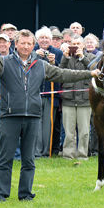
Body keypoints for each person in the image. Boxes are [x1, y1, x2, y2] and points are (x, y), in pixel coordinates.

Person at [0, 29, 101, 203]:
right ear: (16, 44)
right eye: (22, 43)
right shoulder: (3, 62)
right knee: (5, 158)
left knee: (29, 160)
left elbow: (64, 74)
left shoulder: (41, 65)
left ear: (33, 45)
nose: (26, 46)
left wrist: (90, 73)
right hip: (10, 116)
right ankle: (1, 194)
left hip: (33, 117)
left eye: (29, 43)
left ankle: (25, 194)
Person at [60, 35, 96, 160]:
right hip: (68, 99)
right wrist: (65, 58)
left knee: (84, 132)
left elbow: (95, 70)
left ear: (83, 45)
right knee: (69, 132)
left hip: (85, 100)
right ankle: (68, 155)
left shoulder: (91, 57)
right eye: (73, 44)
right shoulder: (67, 57)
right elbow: (60, 72)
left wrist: (82, 57)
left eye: (78, 44)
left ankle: (82, 155)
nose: (75, 46)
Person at [33, 26, 63, 158]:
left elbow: (62, 73)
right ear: (37, 40)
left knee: (48, 124)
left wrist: (53, 62)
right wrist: (34, 57)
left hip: (52, 95)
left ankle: (47, 152)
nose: (44, 40)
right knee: (35, 124)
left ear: (51, 40)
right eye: (42, 38)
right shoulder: (31, 51)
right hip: (35, 93)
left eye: (47, 38)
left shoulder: (57, 52)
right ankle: (35, 152)